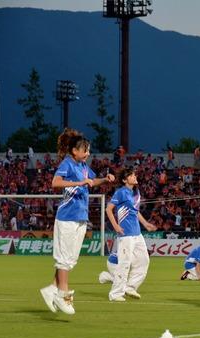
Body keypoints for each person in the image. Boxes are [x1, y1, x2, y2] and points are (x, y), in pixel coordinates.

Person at [40, 128, 115, 315]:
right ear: (75, 151)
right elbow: (55, 183)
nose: (88, 153)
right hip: (67, 218)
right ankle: (63, 294)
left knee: (71, 260)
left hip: (81, 218)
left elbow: (91, 181)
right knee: (64, 259)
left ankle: (51, 288)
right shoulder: (68, 163)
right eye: (85, 150)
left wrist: (104, 179)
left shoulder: (83, 167)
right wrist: (79, 183)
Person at [105, 166, 157, 302]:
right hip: (126, 234)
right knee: (124, 263)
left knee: (144, 260)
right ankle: (115, 294)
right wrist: (116, 226)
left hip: (137, 233)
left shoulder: (136, 193)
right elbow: (108, 209)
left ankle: (130, 287)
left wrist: (145, 224)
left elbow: (135, 211)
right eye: (132, 175)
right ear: (124, 180)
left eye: (134, 174)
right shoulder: (121, 192)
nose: (135, 176)